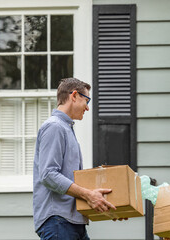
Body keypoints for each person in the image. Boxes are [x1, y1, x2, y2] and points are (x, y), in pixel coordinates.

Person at [33, 78, 116, 240]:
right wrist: (88, 195)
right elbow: (48, 174)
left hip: (72, 221)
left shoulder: (66, 129)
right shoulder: (54, 127)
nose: (87, 107)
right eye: (87, 100)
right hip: (58, 221)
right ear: (74, 96)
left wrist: (114, 209)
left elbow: (70, 181)